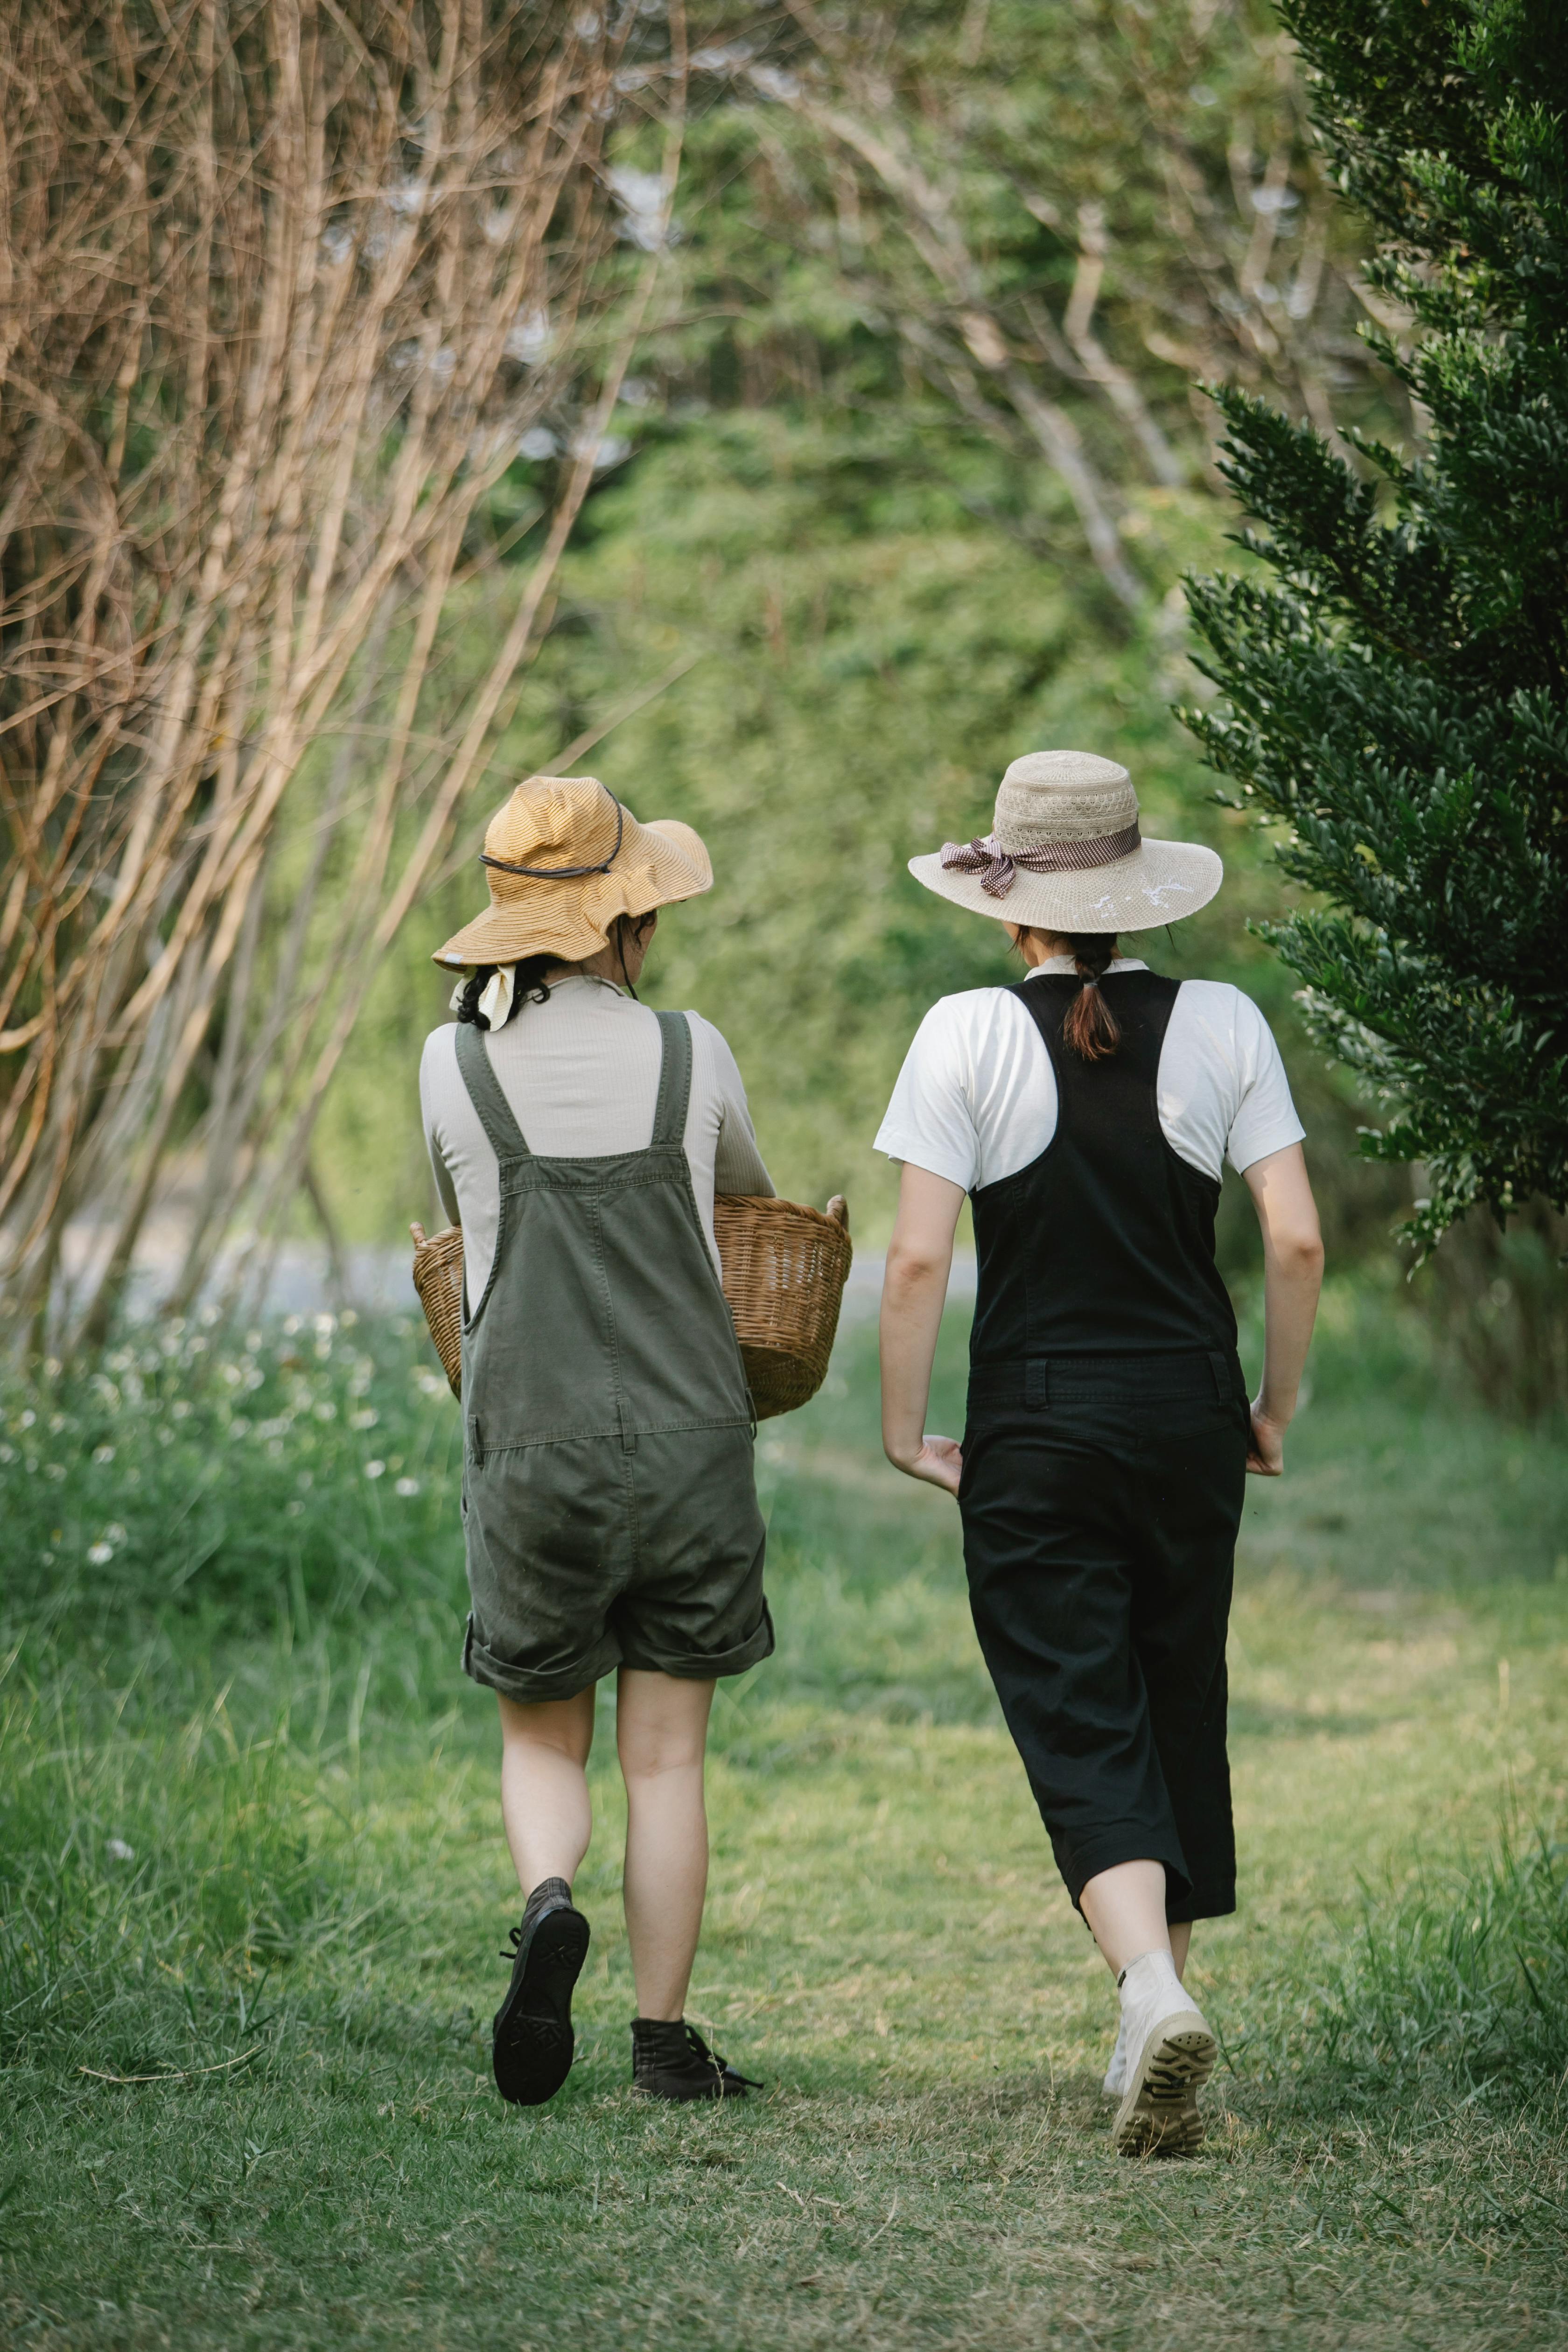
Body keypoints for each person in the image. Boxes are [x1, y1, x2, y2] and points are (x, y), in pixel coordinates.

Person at [875, 749, 1323, 2156]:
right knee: (1173, 1687)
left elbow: (912, 1262)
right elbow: (1297, 1239)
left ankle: (1146, 1992)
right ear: (1132, 903)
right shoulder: (1228, 1022)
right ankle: (1159, 2011)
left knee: (1077, 1705)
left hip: (1037, 1417)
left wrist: (905, 1429)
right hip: (1189, 1408)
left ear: (1012, 913)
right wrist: (1273, 1407)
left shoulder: (961, 1033)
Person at [420, 773, 774, 2106]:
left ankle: (550, 1899)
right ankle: (666, 2044)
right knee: (668, 1755)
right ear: (626, 922)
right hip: (689, 1446)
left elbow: (458, 1227)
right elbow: (749, 1197)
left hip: (532, 1453)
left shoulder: (451, 1064)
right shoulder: (693, 1051)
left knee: (541, 1742)